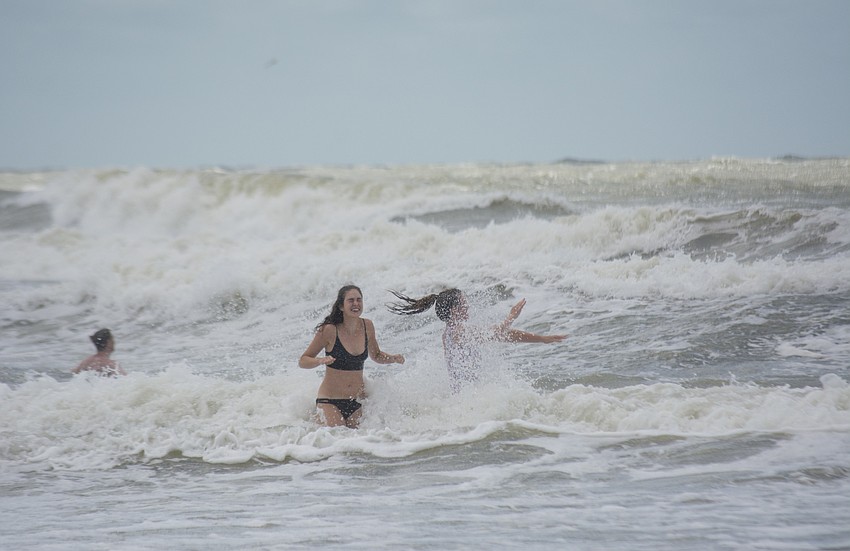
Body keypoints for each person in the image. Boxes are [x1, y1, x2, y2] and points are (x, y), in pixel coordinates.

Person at [388, 289, 566, 392]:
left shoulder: (450, 333)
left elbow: (503, 335)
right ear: (456, 310)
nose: (469, 305)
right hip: (467, 397)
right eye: (465, 302)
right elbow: (499, 331)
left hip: (466, 396)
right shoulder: (457, 332)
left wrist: (541, 339)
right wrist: (511, 316)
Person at [299, 285, 405, 428]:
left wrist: (392, 358)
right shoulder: (329, 330)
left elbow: (377, 355)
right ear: (341, 306)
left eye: (359, 300)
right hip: (330, 401)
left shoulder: (367, 326)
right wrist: (320, 360)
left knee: (361, 442)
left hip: (356, 402)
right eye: (351, 300)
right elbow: (303, 360)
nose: (356, 304)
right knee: (338, 437)